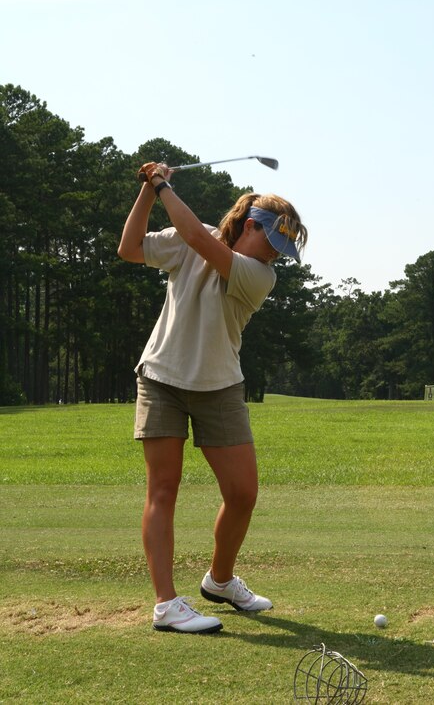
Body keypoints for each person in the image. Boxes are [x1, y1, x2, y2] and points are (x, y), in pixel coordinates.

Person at [118, 161, 308, 634]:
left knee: (242, 492)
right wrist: (147, 191)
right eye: (275, 244)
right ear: (250, 226)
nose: (279, 255)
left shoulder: (259, 275)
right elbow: (130, 248)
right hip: (162, 377)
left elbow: (203, 243)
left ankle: (219, 581)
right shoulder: (190, 234)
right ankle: (167, 604)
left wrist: (162, 184)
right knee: (163, 489)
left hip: (219, 385)